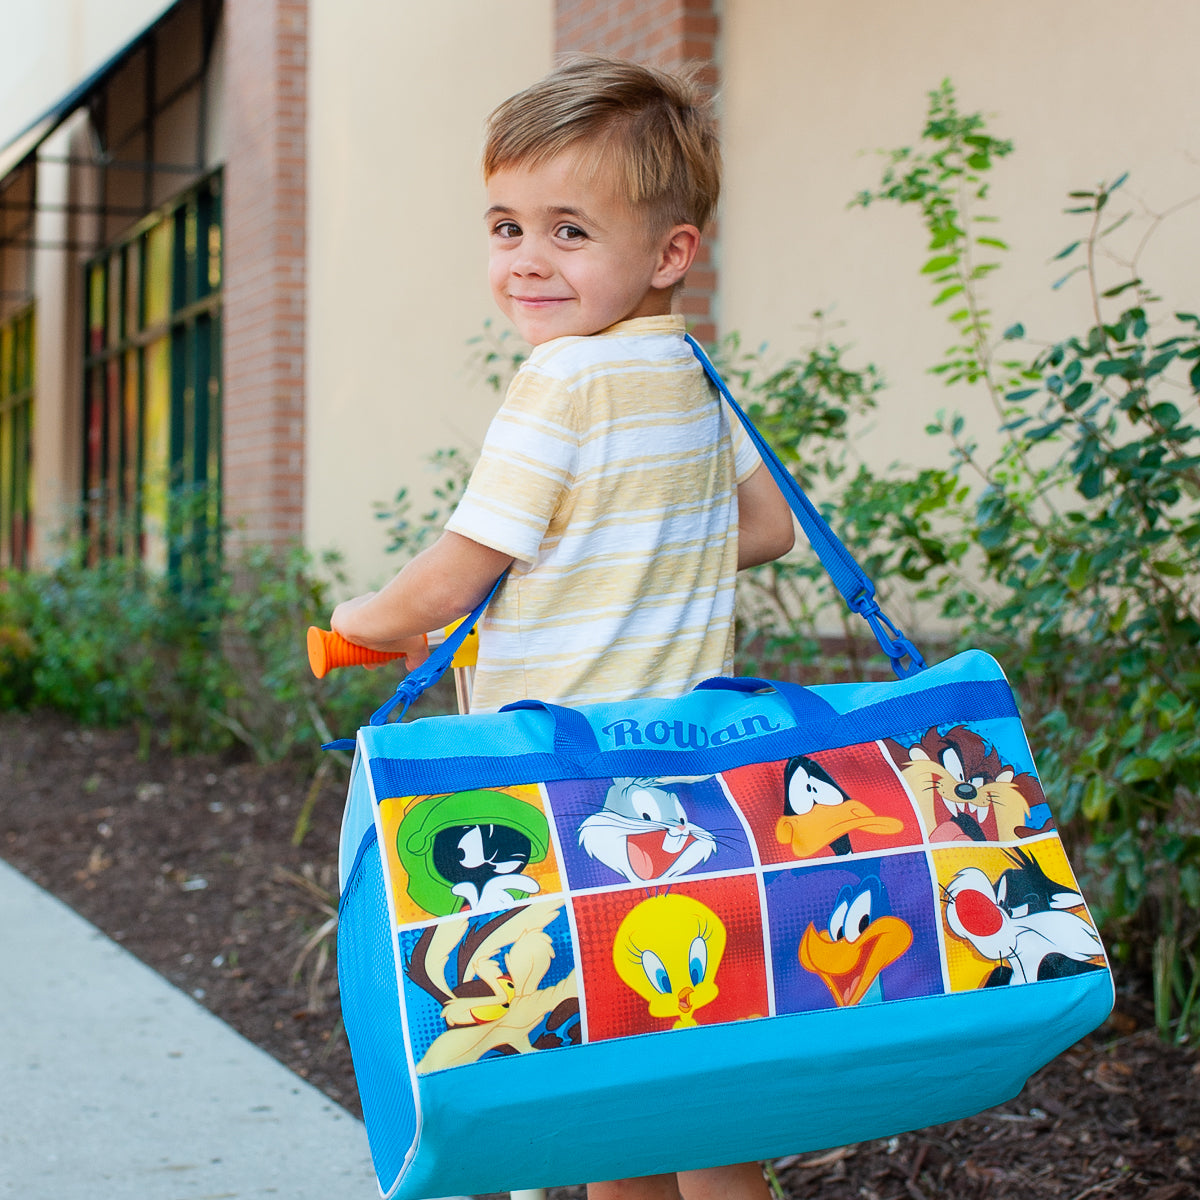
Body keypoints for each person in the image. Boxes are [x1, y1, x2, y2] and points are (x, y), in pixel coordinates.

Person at [330, 55, 794, 1200]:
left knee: (597, 1069)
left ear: (669, 252)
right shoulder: (687, 370)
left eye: (570, 231)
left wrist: (359, 623)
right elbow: (771, 526)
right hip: (695, 788)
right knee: (699, 1065)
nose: (527, 259)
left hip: (564, 786)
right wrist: (625, 555)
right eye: (505, 224)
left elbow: (457, 571)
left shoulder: (560, 382)